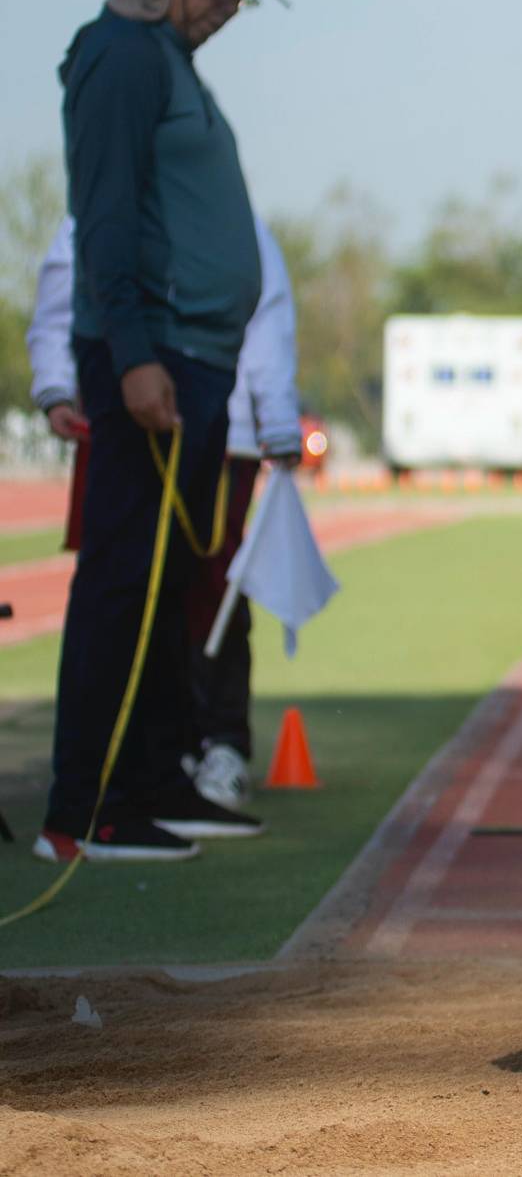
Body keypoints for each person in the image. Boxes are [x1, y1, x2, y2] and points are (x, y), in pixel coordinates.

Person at [37, 0, 285, 864]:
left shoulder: (170, 62)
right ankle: (84, 803)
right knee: (122, 579)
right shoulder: (119, 54)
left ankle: (152, 780)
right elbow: (105, 213)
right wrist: (134, 353)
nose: (226, 5)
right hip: (152, 355)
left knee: (171, 576)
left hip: (198, 359)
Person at [29, 213, 301, 811]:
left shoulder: (228, 215)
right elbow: (59, 303)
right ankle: (143, 755)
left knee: (212, 589)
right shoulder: (96, 213)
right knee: (124, 589)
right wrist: (53, 386)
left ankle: (220, 742)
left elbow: (267, 320)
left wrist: (277, 418)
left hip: (219, 437)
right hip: (120, 429)